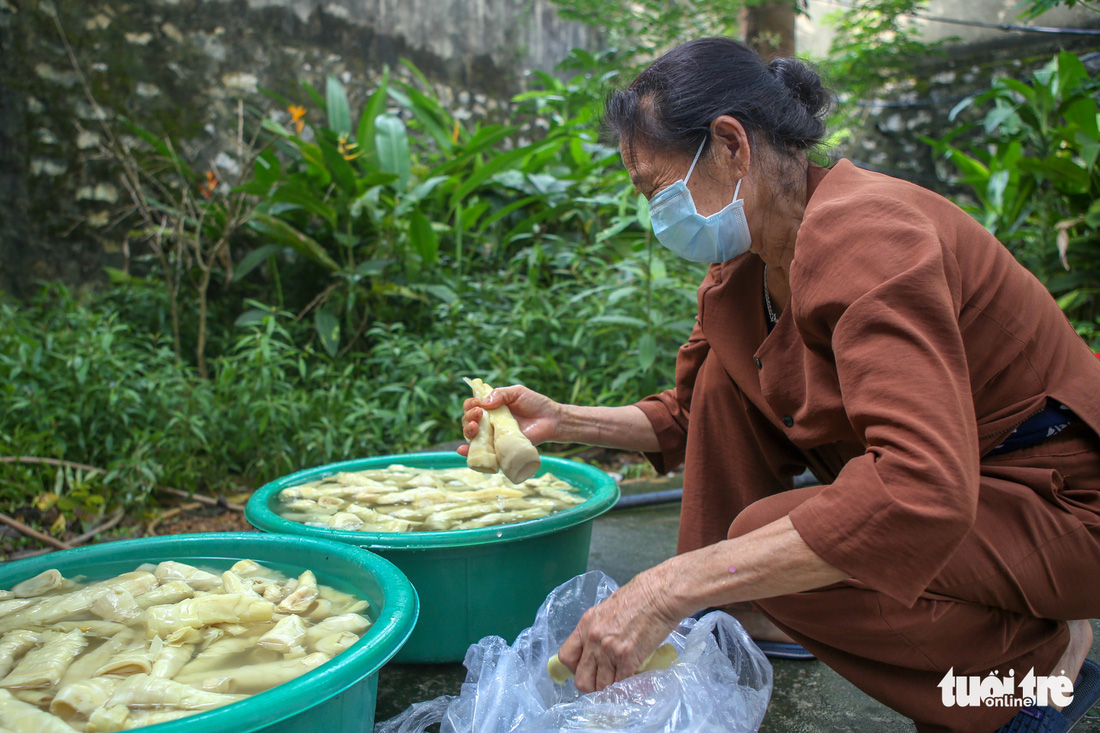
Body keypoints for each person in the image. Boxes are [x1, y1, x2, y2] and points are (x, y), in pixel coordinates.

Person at [459, 37, 1100, 733]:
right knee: (724, 387)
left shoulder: (872, 237)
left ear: (732, 145)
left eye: (657, 188)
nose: (656, 215)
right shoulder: (743, 272)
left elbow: (920, 488)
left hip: (1057, 498)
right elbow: (686, 412)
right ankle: (737, 613)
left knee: (765, 541)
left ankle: (1039, 667)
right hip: (968, 487)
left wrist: (673, 583)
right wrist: (563, 419)